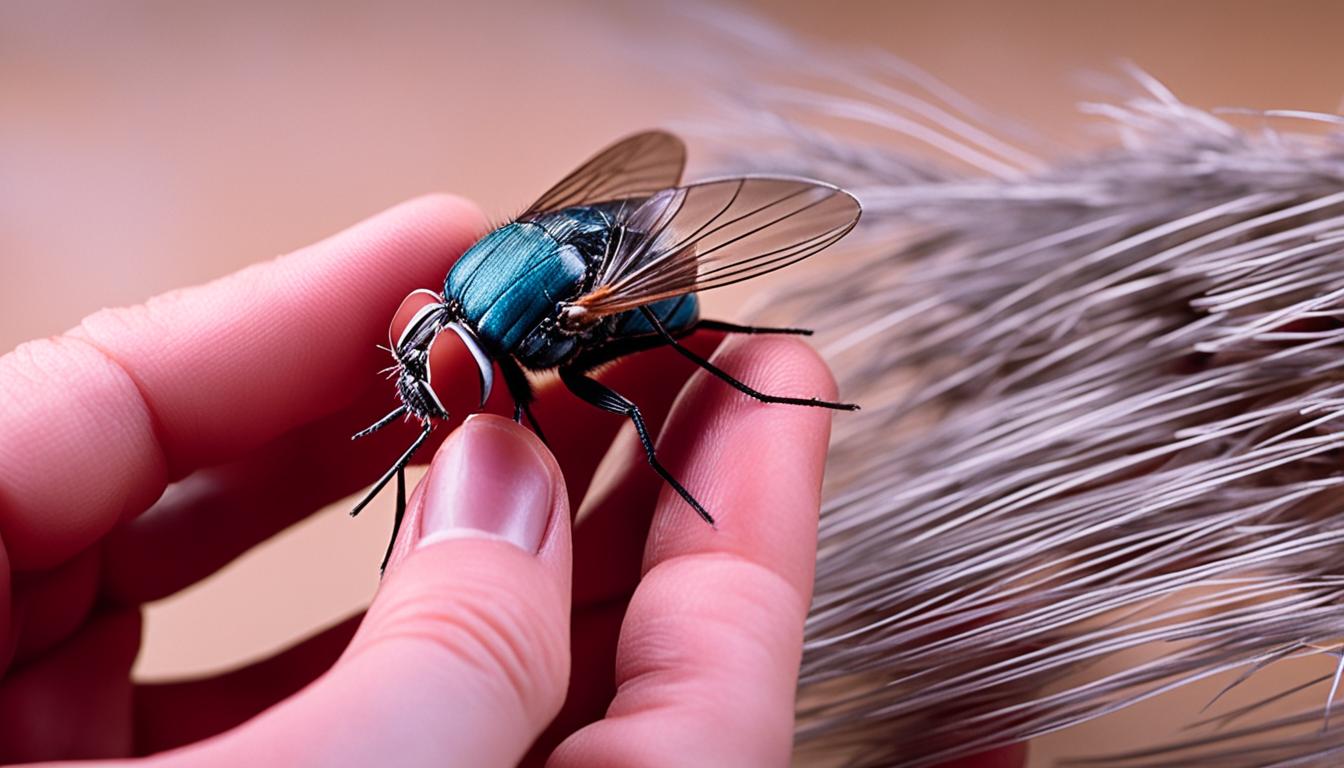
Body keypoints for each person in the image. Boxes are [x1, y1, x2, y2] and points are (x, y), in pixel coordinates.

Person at [0, 196, 1023, 767]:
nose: (422, 386)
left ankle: (751, 368)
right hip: (547, 270)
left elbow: (612, 284)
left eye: (430, 371)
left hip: (608, 293)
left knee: (665, 359)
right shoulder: (451, 315)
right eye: (417, 361)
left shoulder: (529, 336)